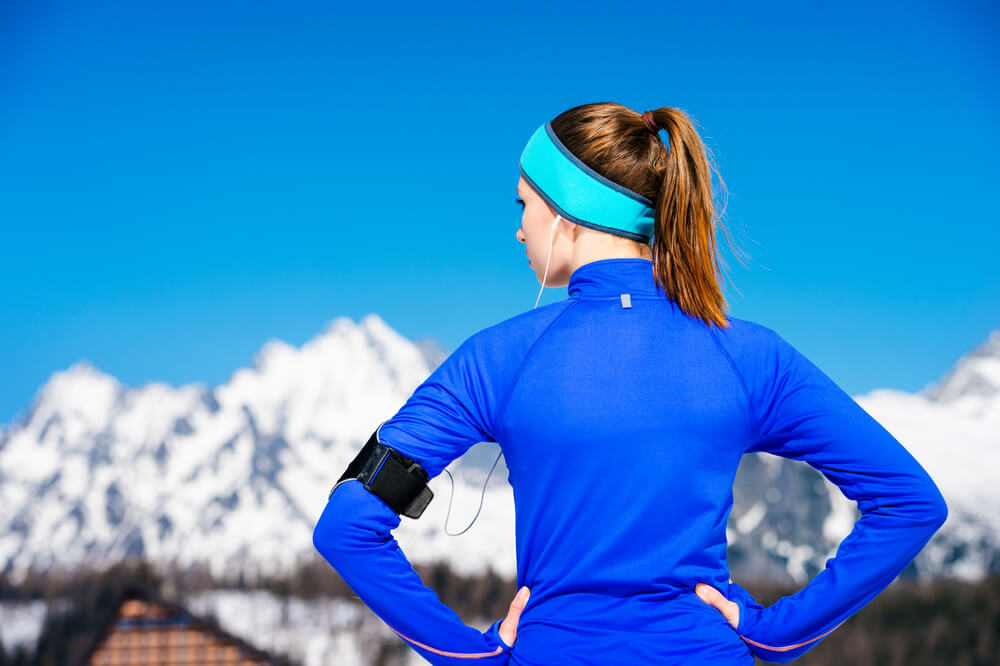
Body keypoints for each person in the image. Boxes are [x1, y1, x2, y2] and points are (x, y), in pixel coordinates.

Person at [311, 102, 949, 665]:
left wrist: (469, 655)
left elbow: (347, 524)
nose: (518, 229)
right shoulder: (749, 356)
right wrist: (775, 633)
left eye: (524, 204)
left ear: (568, 211)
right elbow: (910, 502)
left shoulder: (496, 358)